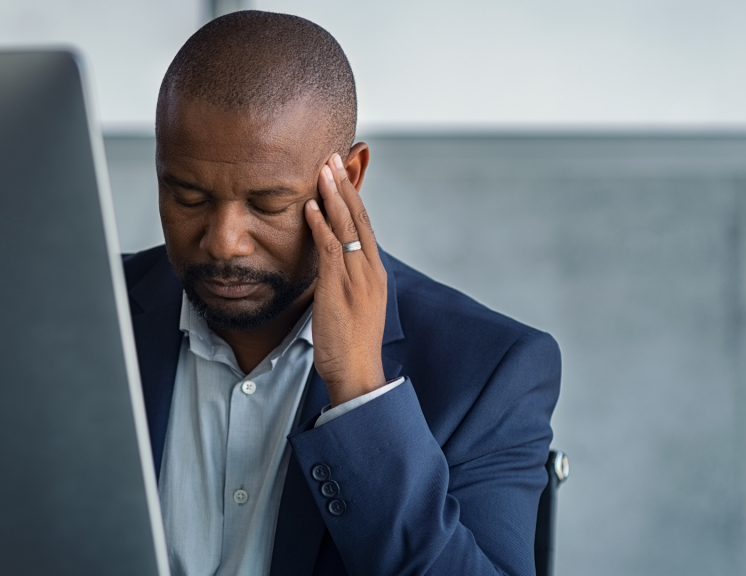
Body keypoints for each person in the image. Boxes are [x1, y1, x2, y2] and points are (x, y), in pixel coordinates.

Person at [122, 10, 561, 576]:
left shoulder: (488, 374)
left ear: (348, 178)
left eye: (267, 205)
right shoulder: (76, 314)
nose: (224, 242)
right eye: (188, 196)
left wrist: (360, 395)